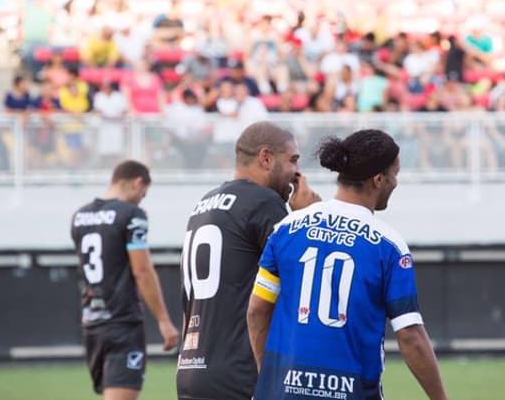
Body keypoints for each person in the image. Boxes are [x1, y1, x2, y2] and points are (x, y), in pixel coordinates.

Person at [247, 130, 448, 400]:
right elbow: (411, 335)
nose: (396, 183)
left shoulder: (287, 228)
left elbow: (258, 309)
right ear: (378, 179)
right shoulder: (389, 245)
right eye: (395, 174)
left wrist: (268, 377)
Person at [176, 121, 321, 400]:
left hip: (191, 371)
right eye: (292, 160)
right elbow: (304, 282)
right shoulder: (263, 202)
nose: (296, 173)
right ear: (266, 158)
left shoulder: (203, 204)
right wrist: (308, 218)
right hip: (240, 373)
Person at [71, 160, 179, 400]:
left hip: (91, 325)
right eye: (143, 194)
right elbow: (142, 270)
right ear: (137, 182)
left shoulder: (79, 217)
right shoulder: (132, 215)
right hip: (122, 324)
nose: (141, 199)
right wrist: (164, 320)